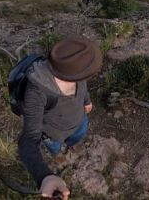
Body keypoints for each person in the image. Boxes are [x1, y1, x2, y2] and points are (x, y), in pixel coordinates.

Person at [18, 36, 102, 199]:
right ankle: (58, 155)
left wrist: (86, 100)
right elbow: (28, 140)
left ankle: (72, 145)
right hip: (53, 134)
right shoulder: (37, 92)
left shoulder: (73, 70)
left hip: (79, 121)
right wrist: (44, 176)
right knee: (55, 147)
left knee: (77, 136)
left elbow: (82, 85)